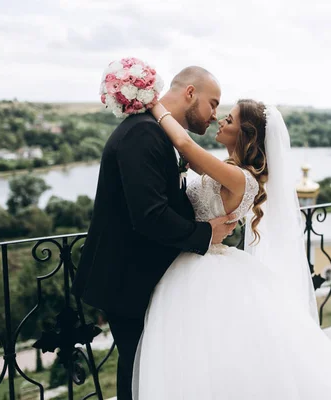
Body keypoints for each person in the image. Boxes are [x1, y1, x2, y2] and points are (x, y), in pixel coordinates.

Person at [132, 99, 331, 399]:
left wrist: (155, 106)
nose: (221, 122)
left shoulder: (242, 178)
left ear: (247, 133)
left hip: (202, 267)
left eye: (229, 119)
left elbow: (186, 145)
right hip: (195, 257)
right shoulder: (227, 170)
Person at [71, 67, 237, 400]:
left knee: (150, 367)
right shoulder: (143, 134)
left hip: (139, 276)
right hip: (127, 279)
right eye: (213, 103)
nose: (215, 115)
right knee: (137, 369)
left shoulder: (154, 131)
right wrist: (205, 233)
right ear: (190, 93)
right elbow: (150, 215)